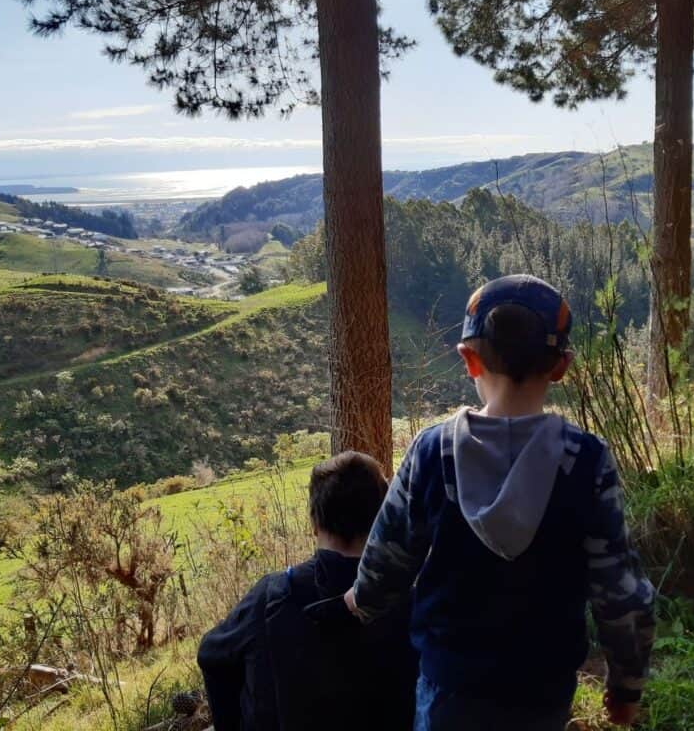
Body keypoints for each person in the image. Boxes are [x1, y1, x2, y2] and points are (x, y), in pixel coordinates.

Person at [345, 274, 656, 731]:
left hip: (449, 691)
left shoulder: (432, 453)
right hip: (541, 692)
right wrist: (625, 686)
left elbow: (386, 561)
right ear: (561, 366)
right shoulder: (587, 461)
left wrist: (359, 602)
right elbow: (621, 593)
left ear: (469, 360)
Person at [197, 451, 417, 731]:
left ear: (314, 524)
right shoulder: (409, 596)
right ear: (381, 517)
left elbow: (211, 656)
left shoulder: (274, 594)